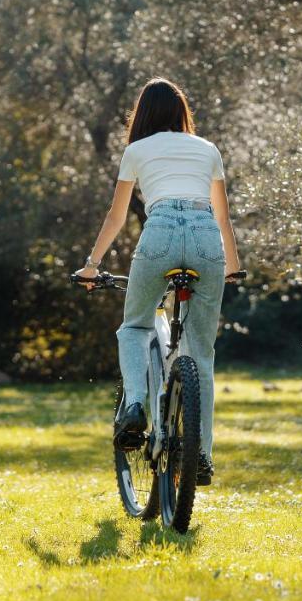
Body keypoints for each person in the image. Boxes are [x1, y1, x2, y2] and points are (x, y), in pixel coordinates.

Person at [74, 77, 242, 486]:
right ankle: (200, 456)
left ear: (143, 114)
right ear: (182, 112)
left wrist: (92, 265)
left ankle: (135, 406)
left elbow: (116, 217)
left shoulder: (136, 150)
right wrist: (233, 265)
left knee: (135, 326)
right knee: (201, 354)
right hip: (205, 238)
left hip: (161, 231)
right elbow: (222, 216)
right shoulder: (208, 150)